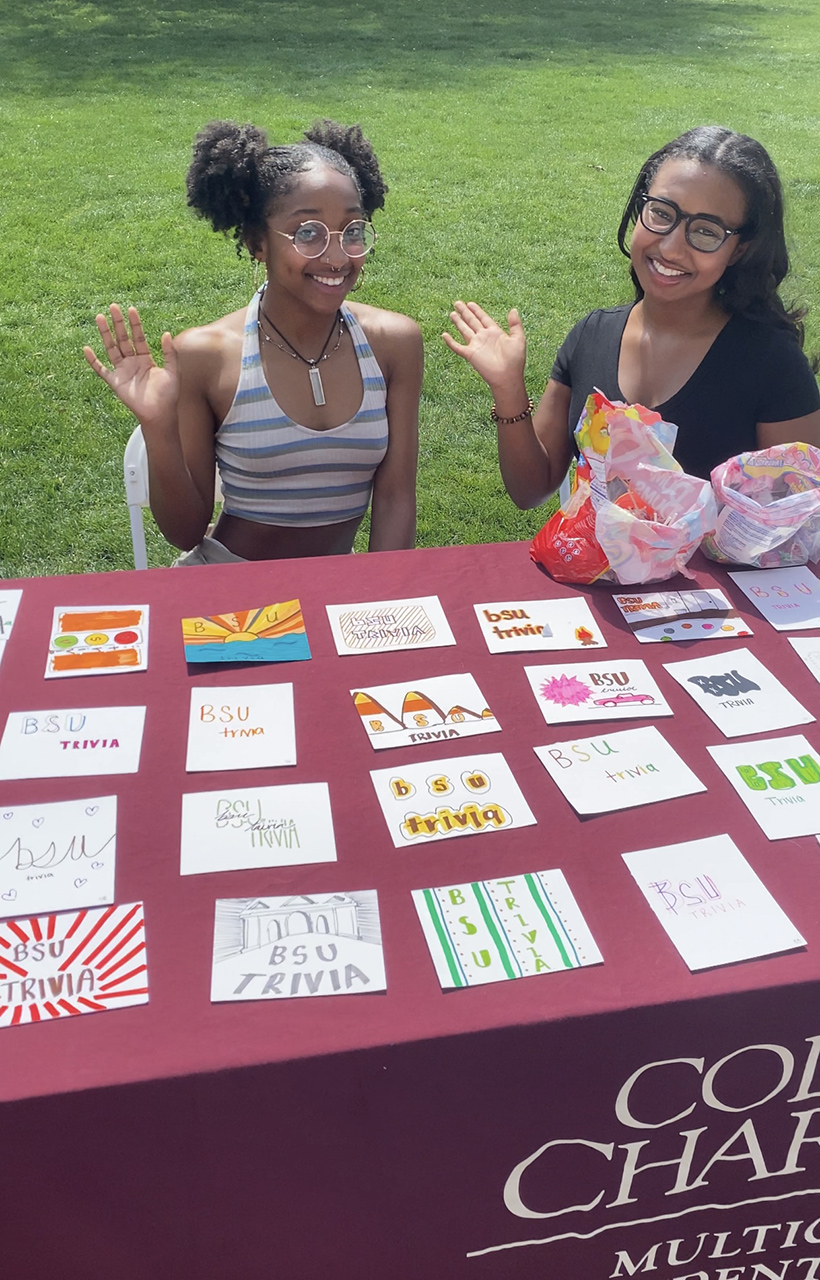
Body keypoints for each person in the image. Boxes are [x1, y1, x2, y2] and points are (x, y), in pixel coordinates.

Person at [85, 120, 422, 564]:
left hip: (340, 591)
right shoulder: (206, 355)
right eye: (308, 233)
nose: (338, 256)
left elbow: (396, 498)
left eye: (353, 230)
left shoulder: (394, 344)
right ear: (257, 242)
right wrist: (158, 427)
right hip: (228, 585)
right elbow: (186, 532)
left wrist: (377, 600)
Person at [443, 126, 820, 508]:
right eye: (661, 212)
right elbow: (531, 489)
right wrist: (509, 390)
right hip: (598, 569)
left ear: (740, 250)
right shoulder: (592, 335)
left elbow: (800, 525)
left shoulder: (772, 366)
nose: (671, 247)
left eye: (706, 232)